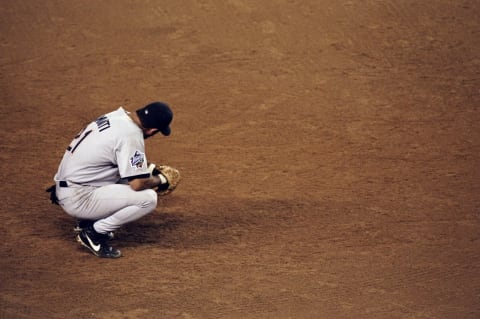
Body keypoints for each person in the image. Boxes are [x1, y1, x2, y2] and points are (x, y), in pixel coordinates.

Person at [49, 101, 174, 258]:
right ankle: (94, 233)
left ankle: (87, 220)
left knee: (129, 175)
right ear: (152, 130)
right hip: (79, 197)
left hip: (68, 183)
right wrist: (161, 179)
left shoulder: (116, 116)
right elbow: (137, 184)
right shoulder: (132, 137)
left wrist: (148, 170)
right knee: (148, 198)